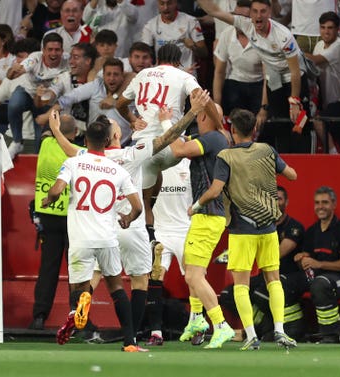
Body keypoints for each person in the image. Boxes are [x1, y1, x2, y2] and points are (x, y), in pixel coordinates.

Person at [50, 89, 212, 346]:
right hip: (132, 226)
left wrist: (57, 130)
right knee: (139, 281)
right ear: (116, 136)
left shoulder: (86, 156)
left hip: (105, 228)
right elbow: (168, 137)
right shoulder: (132, 153)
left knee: (94, 274)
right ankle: (132, 335)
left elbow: (70, 149)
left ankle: (77, 309)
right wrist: (191, 112)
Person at [192, 108, 298, 350]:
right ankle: (280, 330)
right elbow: (292, 175)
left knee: (241, 284)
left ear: (232, 130)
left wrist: (196, 205)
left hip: (242, 229)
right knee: (273, 279)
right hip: (269, 227)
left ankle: (251, 336)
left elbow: (216, 190)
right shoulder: (267, 150)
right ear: (254, 130)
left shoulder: (226, 156)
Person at [42, 115, 144, 352]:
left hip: (80, 239)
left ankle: (80, 305)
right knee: (117, 288)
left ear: (85, 139)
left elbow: (57, 190)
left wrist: (49, 198)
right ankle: (130, 342)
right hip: (107, 237)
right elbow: (137, 206)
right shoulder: (117, 170)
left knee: (79, 287)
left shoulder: (74, 162)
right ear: (108, 140)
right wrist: (128, 219)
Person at [116, 43, 221, 245]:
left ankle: (150, 237)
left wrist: (131, 119)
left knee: (144, 200)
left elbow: (120, 103)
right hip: (174, 148)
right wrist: (219, 126)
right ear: (179, 61)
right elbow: (205, 101)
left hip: (145, 148)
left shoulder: (143, 74)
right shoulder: (183, 76)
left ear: (157, 59)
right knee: (161, 169)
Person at [198, 0, 312, 154]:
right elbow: (215, 11)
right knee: (278, 125)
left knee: (300, 123)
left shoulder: (283, 35)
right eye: (255, 11)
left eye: (263, 11)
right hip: (275, 79)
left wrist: (295, 101)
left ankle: (306, 165)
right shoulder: (245, 25)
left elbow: (295, 72)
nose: (259, 16)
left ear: (269, 12)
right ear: (250, 14)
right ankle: (283, 165)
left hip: (295, 80)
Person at [166, 102, 232, 349]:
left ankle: (220, 324)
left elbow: (179, 150)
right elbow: (181, 138)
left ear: (202, 114)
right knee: (194, 269)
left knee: (193, 274)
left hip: (207, 215)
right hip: (209, 217)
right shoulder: (211, 137)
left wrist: (164, 121)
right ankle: (196, 319)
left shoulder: (215, 138)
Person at [219, 186, 307, 342]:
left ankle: (292, 324)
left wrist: (245, 249)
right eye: (273, 199)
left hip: (288, 276)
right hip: (264, 276)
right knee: (228, 294)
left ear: (286, 202)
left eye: (279, 199)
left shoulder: (294, 226)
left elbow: (277, 254)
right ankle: (261, 326)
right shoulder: (262, 225)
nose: (276, 202)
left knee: (261, 292)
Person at [29, 113, 78, 331]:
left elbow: (48, 131)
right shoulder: (77, 153)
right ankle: (77, 318)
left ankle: (39, 316)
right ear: (75, 134)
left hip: (48, 215)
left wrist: (53, 123)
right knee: (75, 270)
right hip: (72, 217)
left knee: (47, 269)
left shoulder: (45, 144)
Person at [293, 186, 340, 344]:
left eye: (325, 202)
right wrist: (302, 259)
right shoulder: (312, 231)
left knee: (320, 284)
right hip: (318, 277)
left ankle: (330, 335)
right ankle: (292, 331)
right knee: (284, 282)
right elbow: (308, 258)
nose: (320, 206)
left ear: (334, 205)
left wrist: (319, 264)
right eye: (317, 203)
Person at [144, 158, 191, 346]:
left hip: (185, 231)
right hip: (161, 230)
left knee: (194, 278)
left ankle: (197, 325)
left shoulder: (189, 164)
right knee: (155, 278)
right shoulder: (154, 164)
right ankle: (156, 332)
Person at [6, 32, 69, 157]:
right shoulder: (35, 58)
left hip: (46, 99)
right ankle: (17, 141)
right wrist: (13, 70)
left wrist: (41, 97)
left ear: (62, 51)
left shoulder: (66, 64)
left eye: (57, 50)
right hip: (27, 93)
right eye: (50, 49)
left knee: (41, 137)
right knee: (14, 104)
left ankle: (37, 159)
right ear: (43, 50)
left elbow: (48, 96)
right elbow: (11, 76)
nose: (53, 53)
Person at [306, 11, 340, 154]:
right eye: (323, 27)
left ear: (337, 29)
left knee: (318, 121)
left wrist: (292, 52)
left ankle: (333, 155)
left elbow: (315, 60)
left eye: (330, 28)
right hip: (329, 103)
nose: (326, 31)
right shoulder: (319, 45)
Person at [212, 0, 263, 115]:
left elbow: (268, 76)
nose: (238, 21)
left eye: (243, 17)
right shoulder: (227, 34)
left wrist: (264, 108)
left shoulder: (261, 36)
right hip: (235, 82)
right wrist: (217, 107)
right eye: (235, 16)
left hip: (258, 83)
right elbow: (219, 73)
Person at [141, 0, 207, 73]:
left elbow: (204, 53)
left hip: (187, 74)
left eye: (169, 3)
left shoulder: (191, 21)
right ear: (157, 4)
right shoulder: (150, 26)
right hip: (162, 76)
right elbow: (144, 55)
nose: (165, 8)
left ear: (176, 3)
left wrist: (193, 47)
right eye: (162, 4)